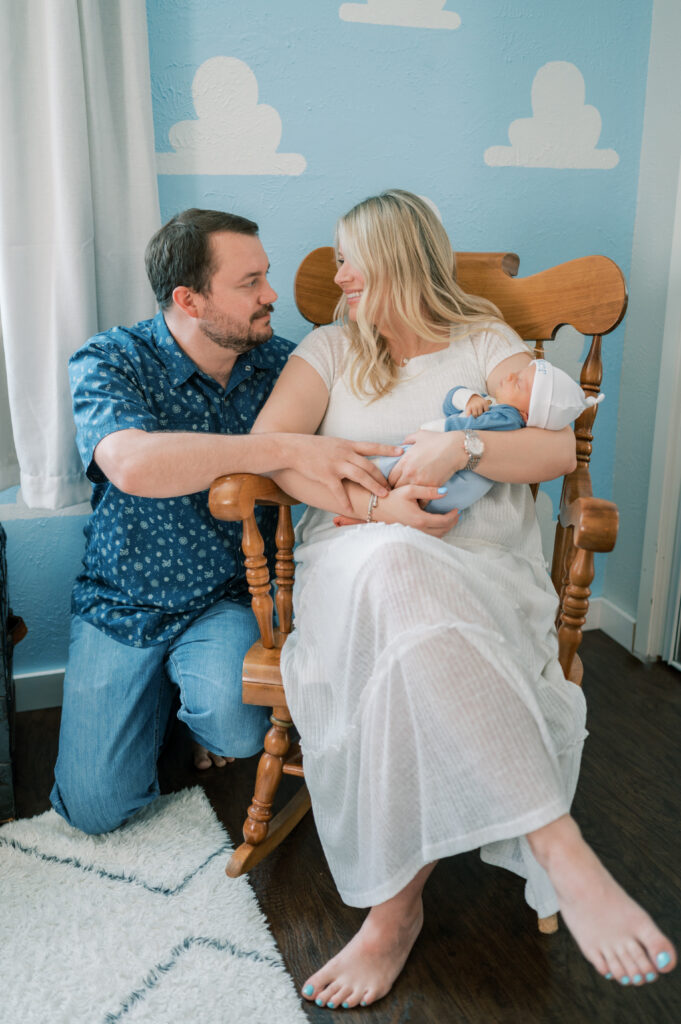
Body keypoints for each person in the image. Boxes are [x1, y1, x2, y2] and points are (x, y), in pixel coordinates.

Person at [251, 190, 676, 1009]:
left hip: (478, 568)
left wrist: (464, 444)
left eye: (349, 258)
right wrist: (380, 508)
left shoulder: (483, 342)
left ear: (395, 259)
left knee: (413, 592)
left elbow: (555, 447)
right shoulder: (331, 350)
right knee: (392, 567)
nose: (336, 276)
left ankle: (393, 915)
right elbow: (277, 454)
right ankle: (557, 844)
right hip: (355, 557)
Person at [50, 208, 400, 836]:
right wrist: (280, 448)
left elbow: (347, 449)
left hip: (229, 601)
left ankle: (191, 711)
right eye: (250, 284)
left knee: (239, 731)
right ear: (189, 298)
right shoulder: (111, 359)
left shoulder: (286, 368)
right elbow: (132, 464)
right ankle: (154, 704)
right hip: (123, 602)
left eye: (265, 276)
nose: (272, 296)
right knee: (94, 811)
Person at [374, 358, 605, 513]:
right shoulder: (493, 404)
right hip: (445, 477)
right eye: (520, 372)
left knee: (383, 469)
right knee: (396, 488)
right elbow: (451, 402)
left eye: (520, 383)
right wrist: (470, 398)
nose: (512, 375)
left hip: (453, 477)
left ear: (527, 413)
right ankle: (371, 512)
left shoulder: (508, 418)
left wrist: (434, 432)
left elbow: (460, 427)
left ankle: (372, 508)